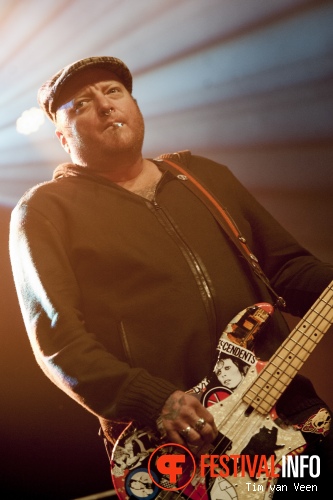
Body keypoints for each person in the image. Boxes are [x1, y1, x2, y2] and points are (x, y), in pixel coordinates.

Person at [9, 56, 333, 494]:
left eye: (113, 92)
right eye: (82, 103)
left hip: (289, 414)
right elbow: (59, 341)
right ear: (61, 136)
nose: (105, 105)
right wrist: (152, 400)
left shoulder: (203, 177)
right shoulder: (46, 210)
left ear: (136, 106)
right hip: (182, 446)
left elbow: (287, 268)